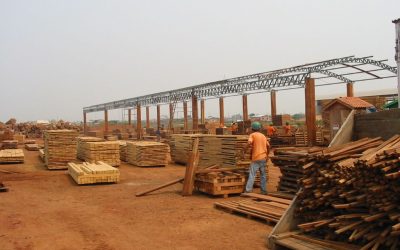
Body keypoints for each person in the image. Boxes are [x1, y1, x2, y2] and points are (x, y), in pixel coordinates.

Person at [243, 121, 270, 194]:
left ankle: (248, 191)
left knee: (252, 174)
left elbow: (249, 143)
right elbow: (268, 146)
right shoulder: (263, 136)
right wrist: (267, 155)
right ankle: (263, 191)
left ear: (252, 128)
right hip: (263, 158)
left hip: (255, 158)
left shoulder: (252, 135)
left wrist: (244, 150)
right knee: (263, 175)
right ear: (259, 128)